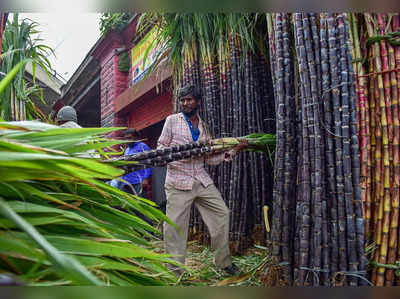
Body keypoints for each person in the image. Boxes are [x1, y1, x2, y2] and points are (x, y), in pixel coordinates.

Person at [157, 84, 247, 276]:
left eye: (189, 99)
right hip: (178, 181)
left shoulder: (204, 127)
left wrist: (233, 150)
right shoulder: (172, 121)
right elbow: (161, 148)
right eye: (182, 100)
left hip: (201, 180)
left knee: (222, 213)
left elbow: (210, 159)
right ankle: (175, 272)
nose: (185, 103)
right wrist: (182, 154)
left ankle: (223, 263)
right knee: (175, 227)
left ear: (198, 102)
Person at [120, 128, 152, 198]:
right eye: (125, 138)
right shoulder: (127, 149)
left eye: (129, 138)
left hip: (139, 181)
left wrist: (146, 179)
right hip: (127, 182)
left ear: (135, 137)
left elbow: (149, 163)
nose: (127, 140)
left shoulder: (142, 146)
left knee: (141, 204)